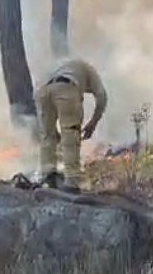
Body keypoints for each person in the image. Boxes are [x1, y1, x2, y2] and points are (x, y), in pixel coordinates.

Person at [35, 58, 108, 193]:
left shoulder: (63, 67)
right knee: (70, 134)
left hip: (43, 91)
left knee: (47, 136)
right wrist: (93, 123)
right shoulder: (89, 71)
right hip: (67, 88)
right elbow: (102, 96)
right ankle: (72, 181)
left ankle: (48, 175)